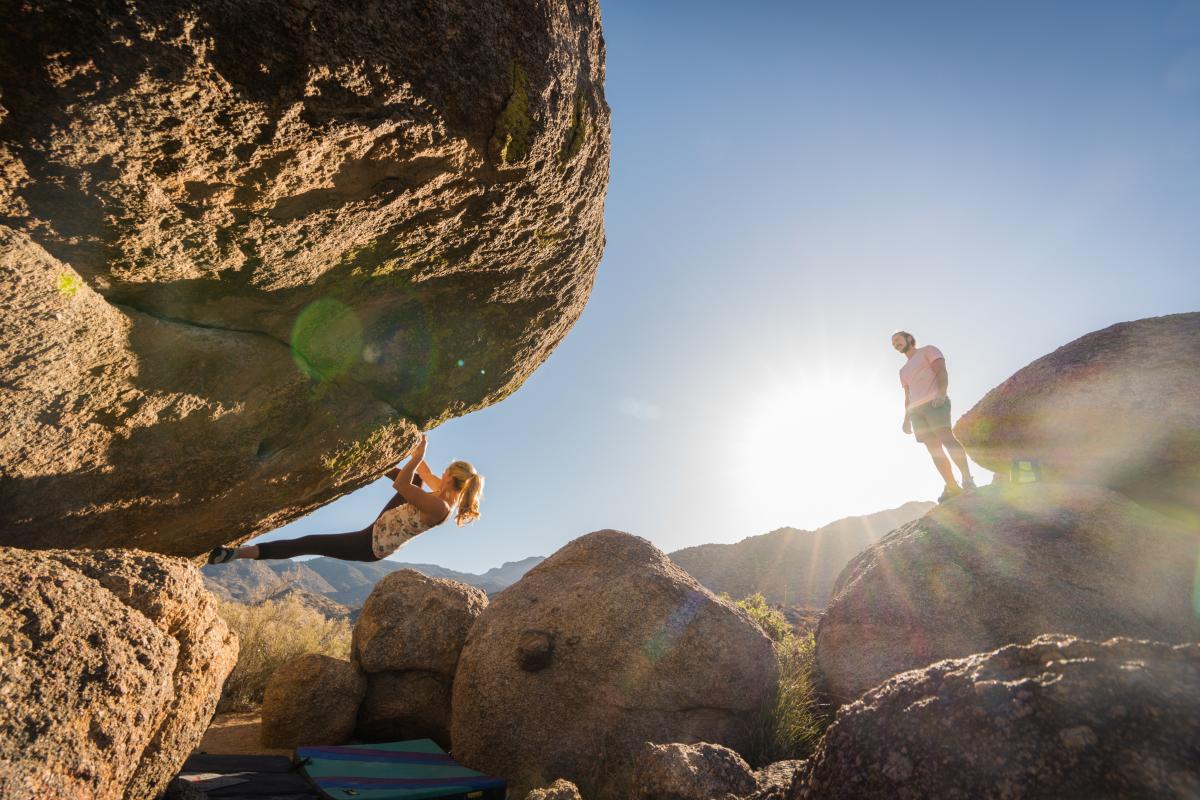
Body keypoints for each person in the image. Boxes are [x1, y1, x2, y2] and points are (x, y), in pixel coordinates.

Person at [207, 434, 483, 564]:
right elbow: (423, 473)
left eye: (446, 471)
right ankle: (372, 462)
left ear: (451, 478)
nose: (442, 473)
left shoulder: (440, 506)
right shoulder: (446, 492)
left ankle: (237, 554)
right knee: (418, 481)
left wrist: (417, 458)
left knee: (310, 543)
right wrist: (415, 443)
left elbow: (402, 482)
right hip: (385, 524)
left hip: (372, 545)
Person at [892, 330, 975, 503]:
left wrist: (942, 393)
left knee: (947, 438)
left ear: (909, 338)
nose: (895, 344)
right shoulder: (903, 371)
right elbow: (908, 395)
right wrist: (906, 419)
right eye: (893, 343)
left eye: (897, 340)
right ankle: (952, 486)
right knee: (933, 450)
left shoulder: (928, 350)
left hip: (935, 403)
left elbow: (941, 371)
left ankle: (967, 479)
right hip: (917, 412)